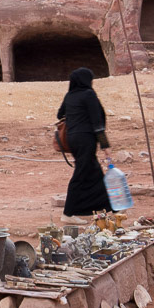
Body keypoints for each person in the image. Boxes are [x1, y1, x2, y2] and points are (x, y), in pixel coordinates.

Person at [56, 67, 112, 225]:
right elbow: (97, 123)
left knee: (94, 172)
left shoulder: (70, 95)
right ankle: (68, 212)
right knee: (81, 174)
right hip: (85, 139)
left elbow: (60, 114)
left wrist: (76, 115)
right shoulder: (89, 94)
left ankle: (110, 207)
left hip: (72, 139)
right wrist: (105, 145)